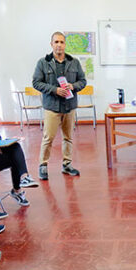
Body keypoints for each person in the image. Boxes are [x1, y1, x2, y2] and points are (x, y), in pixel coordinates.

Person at [32, 32, 87, 180]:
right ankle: (43, 166)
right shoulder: (43, 62)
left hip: (70, 106)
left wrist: (73, 86)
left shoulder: (74, 62)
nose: (59, 45)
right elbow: (36, 83)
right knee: (48, 137)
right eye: (56, 42)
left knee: (68, 137)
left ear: (65, 44)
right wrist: (54, 90)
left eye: (62, 42)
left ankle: (67, 165)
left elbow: (83, 81)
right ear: (51, 44)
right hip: (52, 107)